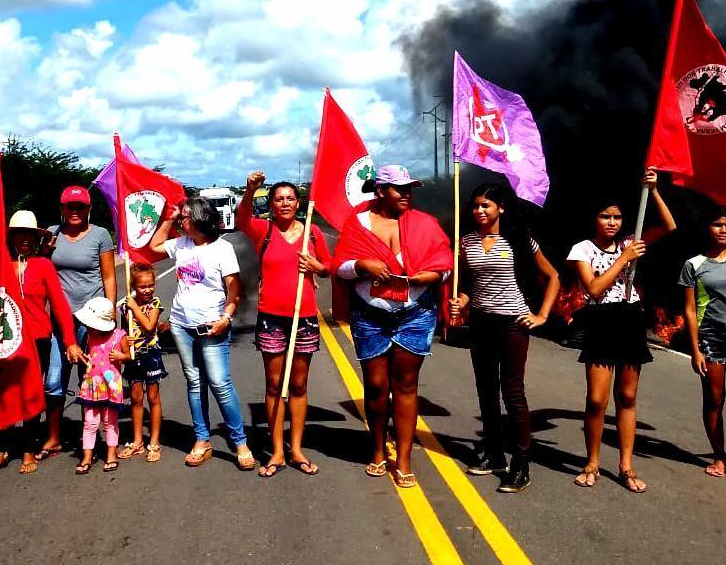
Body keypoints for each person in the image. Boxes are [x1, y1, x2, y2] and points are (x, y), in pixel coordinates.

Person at [332, 165, 453, 488]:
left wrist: (432, 276)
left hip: (415, 314)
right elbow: (339, 267)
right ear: (381, 191)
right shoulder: (356, 224)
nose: (407, 194)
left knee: (406, 386)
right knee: (374, 386)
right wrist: (362, 265)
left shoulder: (425, 224)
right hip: (371, 316)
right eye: (400, 189)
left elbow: (444, 265)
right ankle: (376, 449)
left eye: (410, 188)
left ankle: (403, 459)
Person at [567, 167, 675, 493]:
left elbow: (669, 226)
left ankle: (626, 466)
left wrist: (653, 191)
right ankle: (592, 462)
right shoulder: (582, 249)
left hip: (629, 319)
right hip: (601, 321)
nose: (612, 222)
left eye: (617, 217)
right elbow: (594, 289)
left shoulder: (631, 241)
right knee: (597, 400)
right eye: (605, 216)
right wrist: (623, 259)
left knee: (627, 397)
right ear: (594, 219)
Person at [449, 184, 560, 493]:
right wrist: (463, 300)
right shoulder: (467, 242)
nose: (479, 211)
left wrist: (542, 315)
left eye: (486, 205)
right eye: (475, 206)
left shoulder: (521, 241)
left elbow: (553, 277)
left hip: (513, 323)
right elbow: (469, 283)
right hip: (481, 323)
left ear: (502, 208)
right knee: (486, 390)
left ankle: (521, 464)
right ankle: (495, 454)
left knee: (513, 392)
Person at [149, 196, 257, 470]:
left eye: (185, 216)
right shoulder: (181, 244)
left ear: (199, 218)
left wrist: (226, 318)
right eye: (182, 217)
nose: (182, 221)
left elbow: (234, 288)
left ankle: (240, 441)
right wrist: (170, 218)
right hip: (181, 325)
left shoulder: (222, 249)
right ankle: (201, 439)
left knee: (220, 384)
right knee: (194, 383)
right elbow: (154, 246)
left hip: (213, 326)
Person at [237, 172, 332, 478]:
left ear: (298, 202)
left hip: (303, 317)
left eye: (290, 198)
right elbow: (242, 219)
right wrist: (251, 190)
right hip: (271, 317)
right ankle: (277, 451)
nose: (285, 203)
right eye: (279, 199)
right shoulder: (263, 230)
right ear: (272, 205)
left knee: (300, 385)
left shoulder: (312, 233)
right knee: (274, 385)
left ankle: (296, 449)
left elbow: (329, 268)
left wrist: (316, 266)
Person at [0, 211, 83, 475]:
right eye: (19, 233)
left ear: (36, 238)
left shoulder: (43, 266)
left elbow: (60, 306)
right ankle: (1, 450)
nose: (24, 238)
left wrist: (70, 341)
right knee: (3, 395)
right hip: (7, 341)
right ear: (11, 236)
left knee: (31, 394)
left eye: (29, 234)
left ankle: (27, 449)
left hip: (38, 340)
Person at [42, 186, 117, 454]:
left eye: (80, 207)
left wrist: (111, 310)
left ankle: (92, 435)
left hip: (93, 319)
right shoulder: (51, 234)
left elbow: (108, 276)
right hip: (59, 319)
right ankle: (53, 436)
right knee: (53, 380)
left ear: (89, 209)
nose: (74, 211)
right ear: (61, 209)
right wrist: (44, 251)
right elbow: (40, 270)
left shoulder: (100, 235)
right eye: (69, 206)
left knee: (91, 377)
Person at [679, 206, 726, 478]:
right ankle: (719, 458)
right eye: (718, 224)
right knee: (715, 399)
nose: (723, 230)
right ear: (708, 228)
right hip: (711, 341)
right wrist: (695, 350)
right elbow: (690, 310)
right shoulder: (694, 265)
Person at [117, 262, 167, 463]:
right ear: (133, 287)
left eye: (150, 285)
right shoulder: (125, 307)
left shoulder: (155, 304)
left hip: (151, 355)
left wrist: (134, 308)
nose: (147, 290)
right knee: (136, 398)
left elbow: (148, 326)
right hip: (133, 356)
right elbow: (121, 333)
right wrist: (124, 344)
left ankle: (154, 441)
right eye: (142, 287)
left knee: (153, 397)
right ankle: (137, 440)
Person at [72, 297, 129, 474]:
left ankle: (111, 454)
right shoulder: (89, 337)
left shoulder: (119, 336)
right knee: (89, 423)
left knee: (110, 422)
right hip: (91, 387)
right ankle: (87, 456)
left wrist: (121, 356)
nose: (88, 327)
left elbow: (128, 355)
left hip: (111, 387)